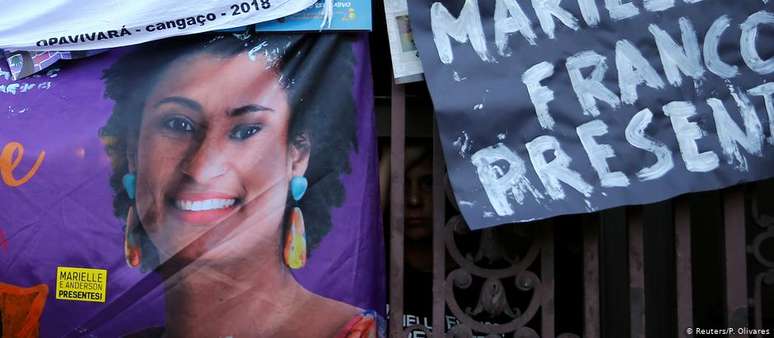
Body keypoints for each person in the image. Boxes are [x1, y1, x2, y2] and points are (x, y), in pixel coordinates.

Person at [99, 32, 383, 338]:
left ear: (297, 155)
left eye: (246, 130)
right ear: (132, 154)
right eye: (177, 124)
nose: (202, 169)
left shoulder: (353, 332)